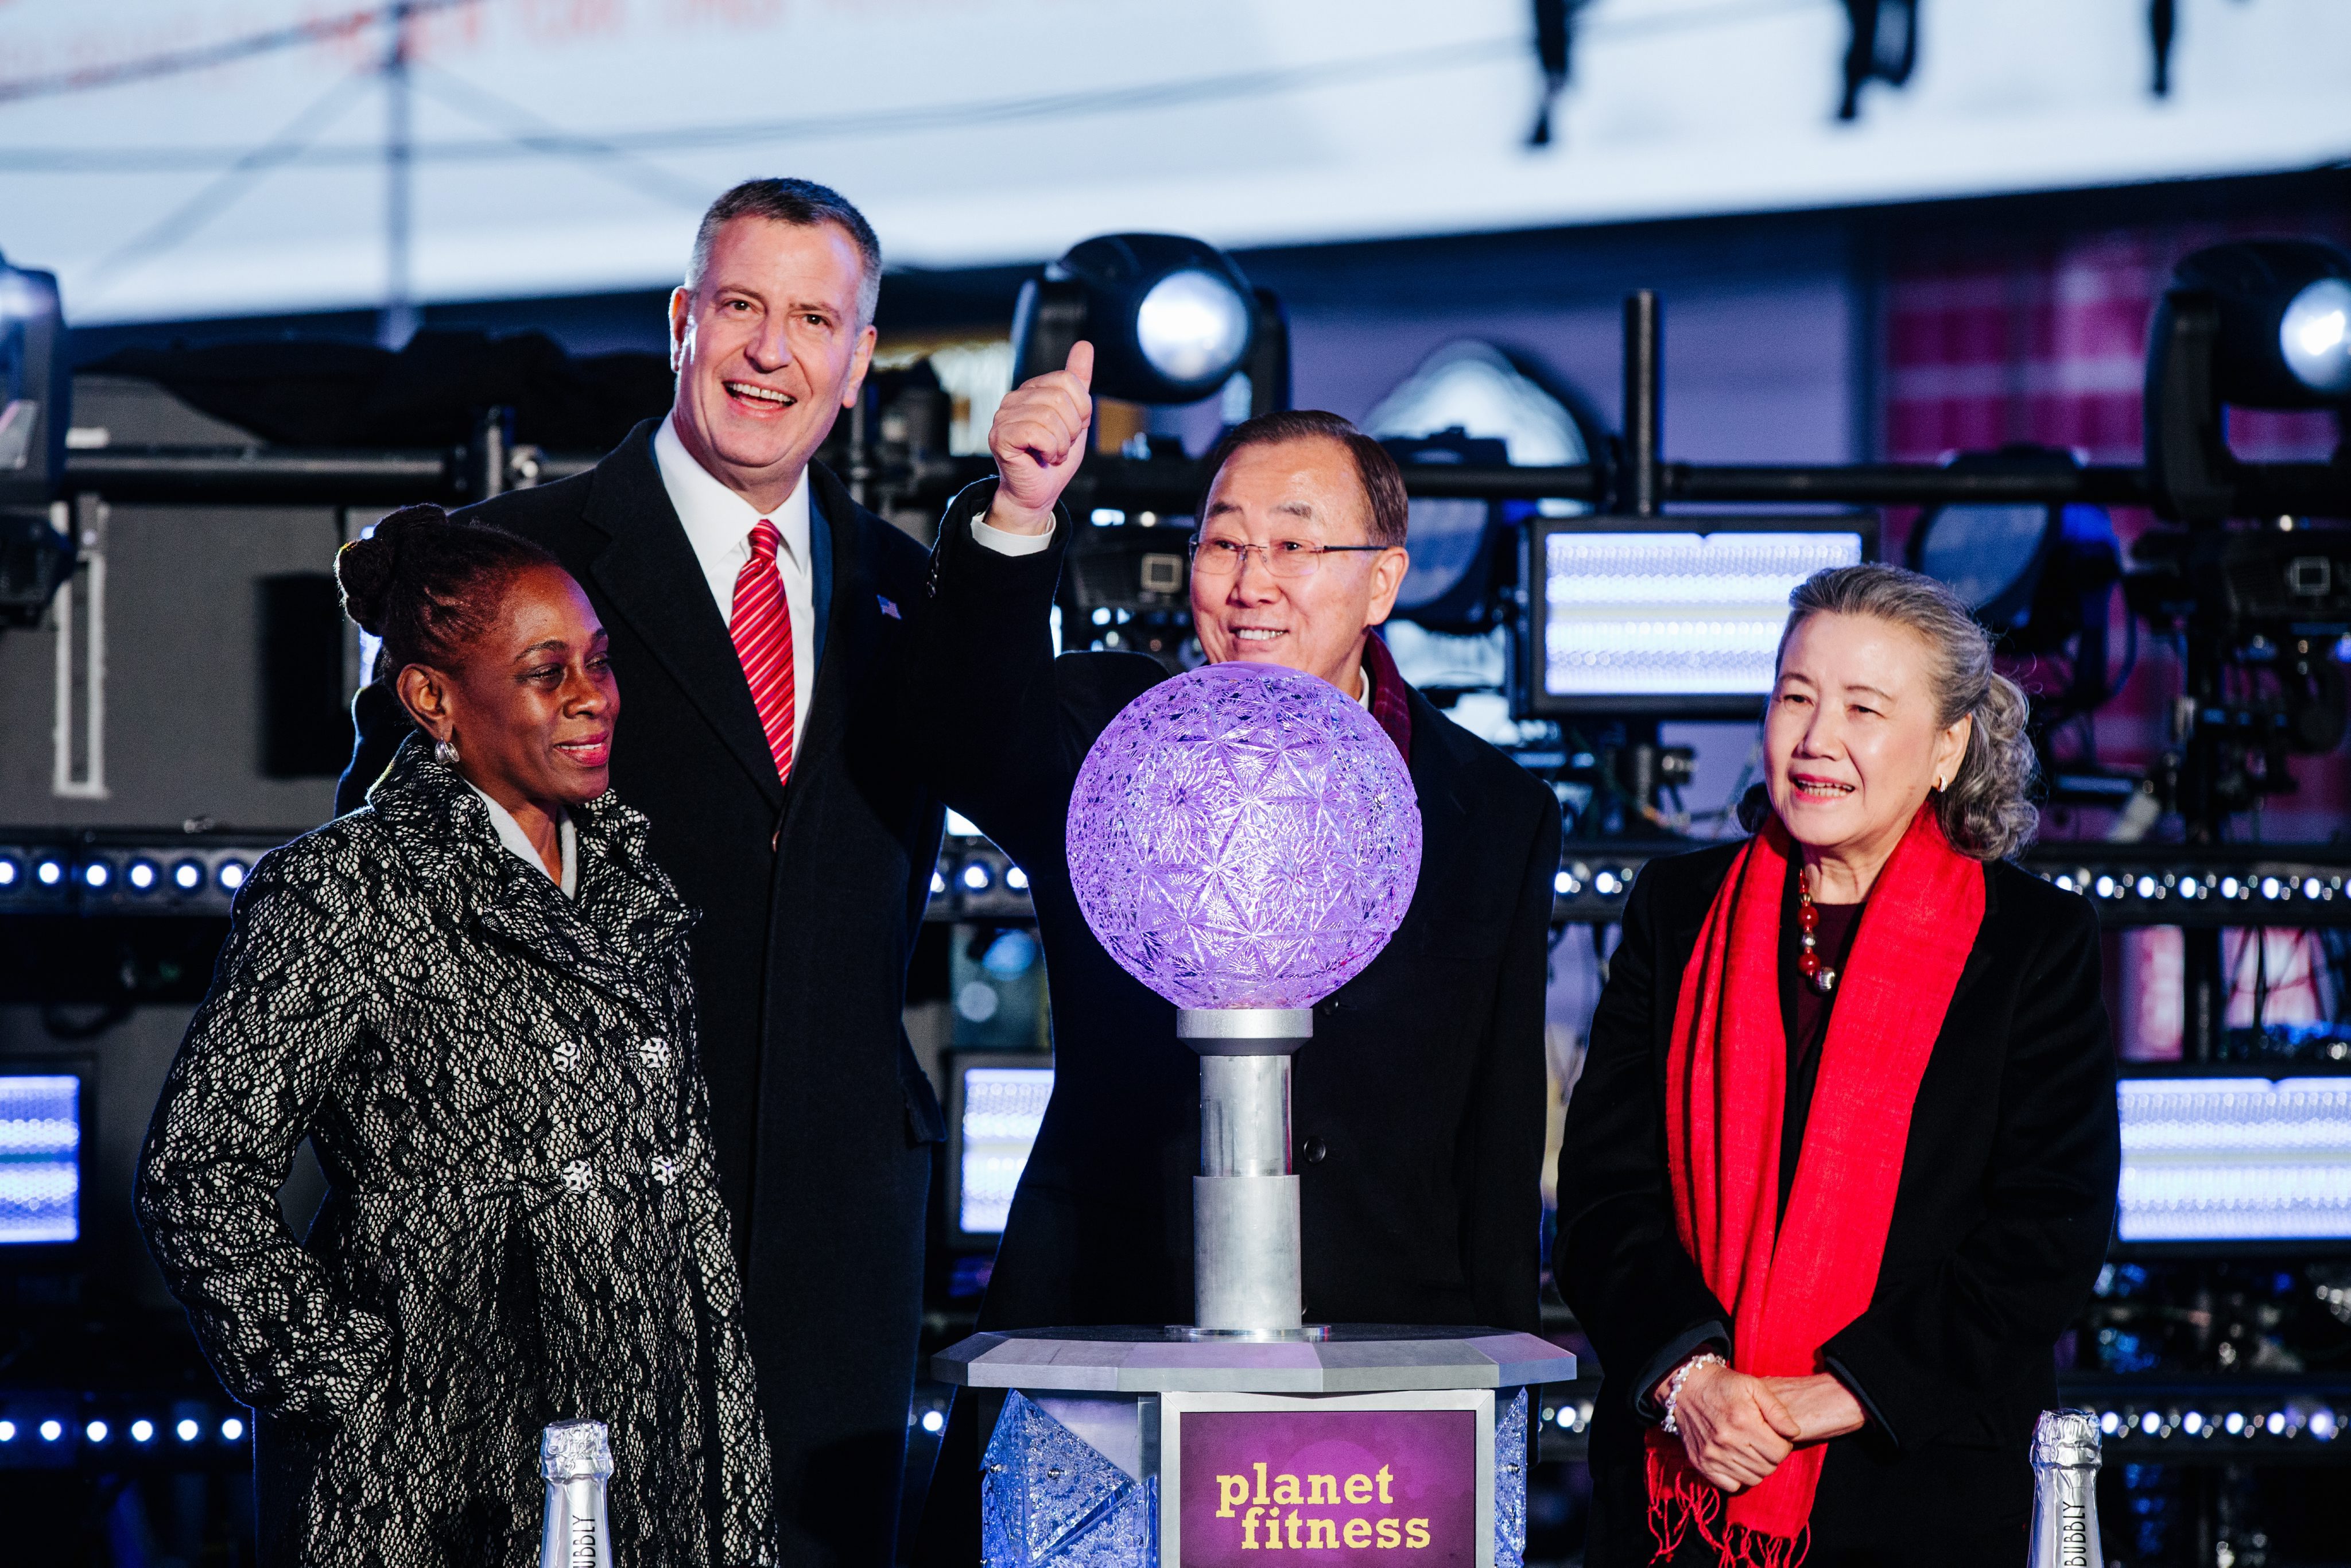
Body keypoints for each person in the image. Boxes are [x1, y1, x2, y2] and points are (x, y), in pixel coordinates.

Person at [336, 179, 942, 1566]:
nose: (769, 351)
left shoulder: (911, 592)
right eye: (739, 307)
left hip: (833, 1234)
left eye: (811, 320)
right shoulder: (510, 562)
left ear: (857, 361)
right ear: (682, 321)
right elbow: (387, 869)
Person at [139, 507, 774, 1568]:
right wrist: (353, 1387)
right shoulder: (345, 891)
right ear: (433, 699)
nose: (591, 698)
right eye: (545, 671)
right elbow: (197, 1177)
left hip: (659, 1435)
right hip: (442, 1457)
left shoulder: (634, 884)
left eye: (599, 664)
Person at [1553, 563, 2120, 1568]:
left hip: (1919, 1479)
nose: (1817, 741)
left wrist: (1843, 1391)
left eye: (1864, 709)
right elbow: (1605, 1195)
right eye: (1795, 698)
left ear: (1947, 748)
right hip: (1680, 1476)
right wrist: (1694, 1380)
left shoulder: (2037, 943)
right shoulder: (1677, 910)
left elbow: (2045, 1231)